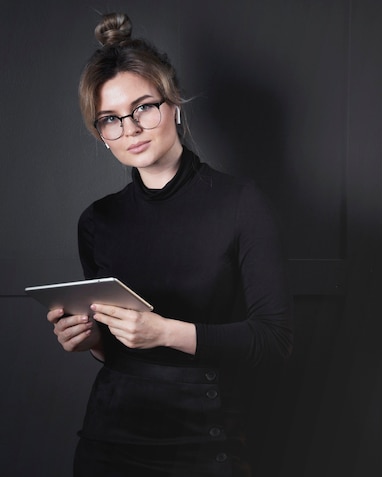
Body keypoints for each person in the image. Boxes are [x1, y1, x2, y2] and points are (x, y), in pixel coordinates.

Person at [46, 11, 293, 477]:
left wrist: (163, 331)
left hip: (206, 432)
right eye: (110, 119)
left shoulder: (242, 203)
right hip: (109, 435)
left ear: (173, 104)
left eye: (143, 107)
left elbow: (274, 340)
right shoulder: (97, 221)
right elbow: (114, 351)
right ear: (101, 135)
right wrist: (91, 338)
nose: (131, 128)